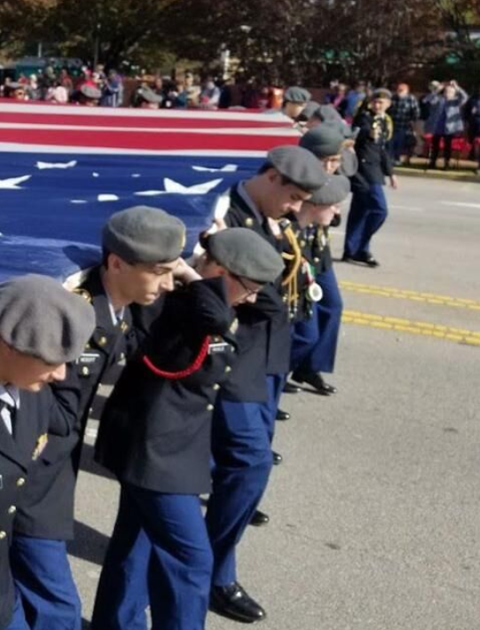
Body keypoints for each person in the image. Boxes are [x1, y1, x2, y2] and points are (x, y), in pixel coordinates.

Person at [92, 227, 283, 630]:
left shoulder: (221, 298)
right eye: (248, 288)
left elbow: (272, 307)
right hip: (153, 449)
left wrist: (216, 277)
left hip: (178, 447)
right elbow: (217, 316)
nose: (253, 298)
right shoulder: (169, 297)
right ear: (219, 272)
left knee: (136, 544)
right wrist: (194, 277)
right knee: (191, 561)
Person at [14, 207, 187, 630]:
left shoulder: (129, 305)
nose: (169, 284)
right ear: (117, 263)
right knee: (58, 610)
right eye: (160, 272)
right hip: (32, 474)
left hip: (59, 469)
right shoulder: (74, 314)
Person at [206, 146, 327, 624]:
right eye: (293, 196)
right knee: (249, 463)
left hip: (270, 358)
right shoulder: (226, 215)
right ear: (272, 177)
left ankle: (210, 550)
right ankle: (215, 572)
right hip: (235, 361)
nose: (296, 207)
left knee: (248, 469)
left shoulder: (274, 219)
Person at [0, 275, 96, 630]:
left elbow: (60, 424)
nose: (61, 374)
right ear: (10, 345)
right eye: (52, 359)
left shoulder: (31, 387)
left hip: (0, 593)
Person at [288, 175, 350, 397]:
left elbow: (333, 218)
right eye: (328, 161)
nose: (332, 166)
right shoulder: (302, 175)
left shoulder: (329, 182)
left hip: (318, 253)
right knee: (305, 330)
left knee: (333, 307)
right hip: (303, 252)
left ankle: (309, 366)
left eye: (335, 161)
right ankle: (279, 372)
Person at [343, 89, 396, 267]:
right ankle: (359, 247)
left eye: (381, 102)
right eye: (375, 102)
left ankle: (352, 250)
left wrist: (391, 173)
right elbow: (359, 132)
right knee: (380, 209)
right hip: (363, 170)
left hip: (375, 169)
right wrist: (368, 133)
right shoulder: (364, 117)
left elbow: (382, 149)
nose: (377, 105)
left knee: (360, 211)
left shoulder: (384, 121)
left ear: (388, 104)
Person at [424, 81, 469, 170]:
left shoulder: (456, 101)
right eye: (446, 91)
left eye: (450, 92)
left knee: (447, 146)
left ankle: (446, 163)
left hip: (449, 128)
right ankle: (432, 162)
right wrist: (437, 90)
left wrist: (457, 87)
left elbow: (465, 97)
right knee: (435, 145)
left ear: (454, 93)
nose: (448, 93)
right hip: (437, 127)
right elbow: (426, 100)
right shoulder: (439, 99)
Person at [389, 83, 419, 165]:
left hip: (404, 126)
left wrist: (413, 122)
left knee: (400, 143)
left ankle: (397, 158)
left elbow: (416, 112)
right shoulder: (393, 98)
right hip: (392, 125)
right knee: (391, 143)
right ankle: (390, 159)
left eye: (401, 90)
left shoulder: (411, 99)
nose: (399, 92)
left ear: (406, 91)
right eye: (398, 90)